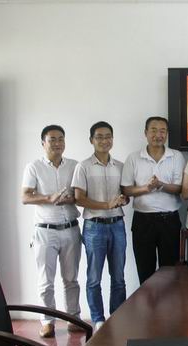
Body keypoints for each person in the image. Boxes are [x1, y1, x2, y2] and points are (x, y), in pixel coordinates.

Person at [21, 125, 81, 338]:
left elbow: (80, 196)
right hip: (45, 231)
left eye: (61, 139)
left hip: (71, 229)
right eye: (52, 139)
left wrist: (70, 199)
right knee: (46, 281)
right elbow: (25, 197)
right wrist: (48, 198)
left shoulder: (74, 165)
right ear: (43, 143)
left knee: (71, 279)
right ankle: (47, 322)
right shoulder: (34, 167)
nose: (57, 143)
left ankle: (74, 318)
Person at [72, 121, 128, 330]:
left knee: (119, 277)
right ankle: (98, 320)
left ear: (113, 139)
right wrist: (106, 205)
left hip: (117, 225)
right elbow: (79, 198)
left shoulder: (121, 166)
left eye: (108, 137)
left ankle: (117, 317)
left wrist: (122, 200)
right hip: (94, 227)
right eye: (99, 137)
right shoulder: (83, 166)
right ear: (91, 140)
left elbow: (126, 195)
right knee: (94, 278)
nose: (104, 141)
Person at [122, 116, 185, 284]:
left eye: (162, 131)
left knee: (170, 272)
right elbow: (126, 189)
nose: (158, 135)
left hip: (169, 221)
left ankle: (169, 303)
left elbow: (179, 188)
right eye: (154, 130)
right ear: (145, 133)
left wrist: (160, 185)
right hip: (143, 221)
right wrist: (146, 188)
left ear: (167, 134)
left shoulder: (176, 156)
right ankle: (147, 302)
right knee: (145, 272)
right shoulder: (133, 158)